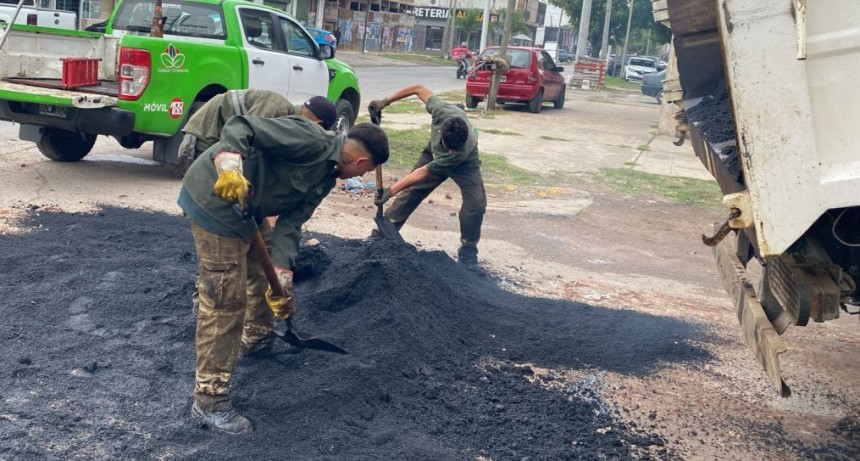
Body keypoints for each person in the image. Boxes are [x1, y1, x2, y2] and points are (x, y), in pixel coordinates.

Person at [178, 116, 388, 435]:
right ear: (362, 160)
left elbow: (291, 224)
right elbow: (239, 126)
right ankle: (209, 402)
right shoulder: (310, 139)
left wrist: (283, 274)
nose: (362, 176)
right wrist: (231, 167)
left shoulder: (325, 178)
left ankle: (258, 337)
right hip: (215, 202)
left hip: (251, 210)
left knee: (265, 269)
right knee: (225, 302)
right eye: (367, 170)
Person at [368, 84, 486, 265]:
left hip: (466, 163)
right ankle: (383, 233)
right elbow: (418, 88)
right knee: (413, 191)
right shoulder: (440, 111)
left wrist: (390, 191)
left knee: (476, 204)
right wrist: (384, 102)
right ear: (441, 133)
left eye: (455, 150)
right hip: (434, 153)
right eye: (449, 149)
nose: (452, 152)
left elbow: (423, 172)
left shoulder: (458, 153)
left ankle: (468, 252)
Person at [178, 89, 338, 161]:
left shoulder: (285, 118)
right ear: (317, 124)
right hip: (208, 128)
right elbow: (243, 133)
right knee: (212, 184)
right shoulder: (276, 107)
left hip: (220, 132)